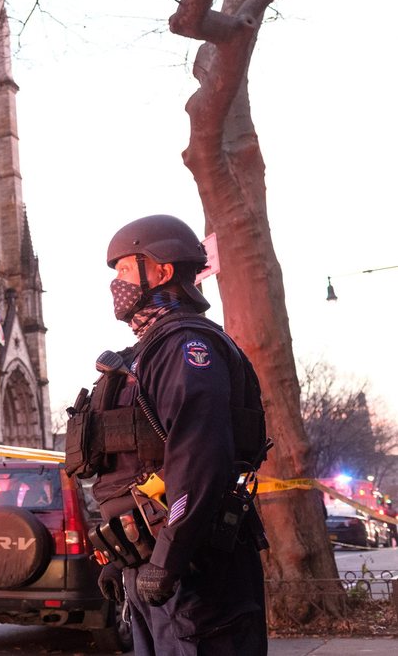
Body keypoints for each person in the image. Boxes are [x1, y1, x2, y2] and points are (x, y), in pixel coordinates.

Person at [65, 214, 270, 656]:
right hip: (154, 568)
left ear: (161, 271)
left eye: (123, 269)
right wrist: (124, 561)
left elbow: (199, 462)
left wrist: (167, 558)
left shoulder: (185, 346)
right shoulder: (146, 352)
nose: (115, 284)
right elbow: (137, 469)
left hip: (193, 572)